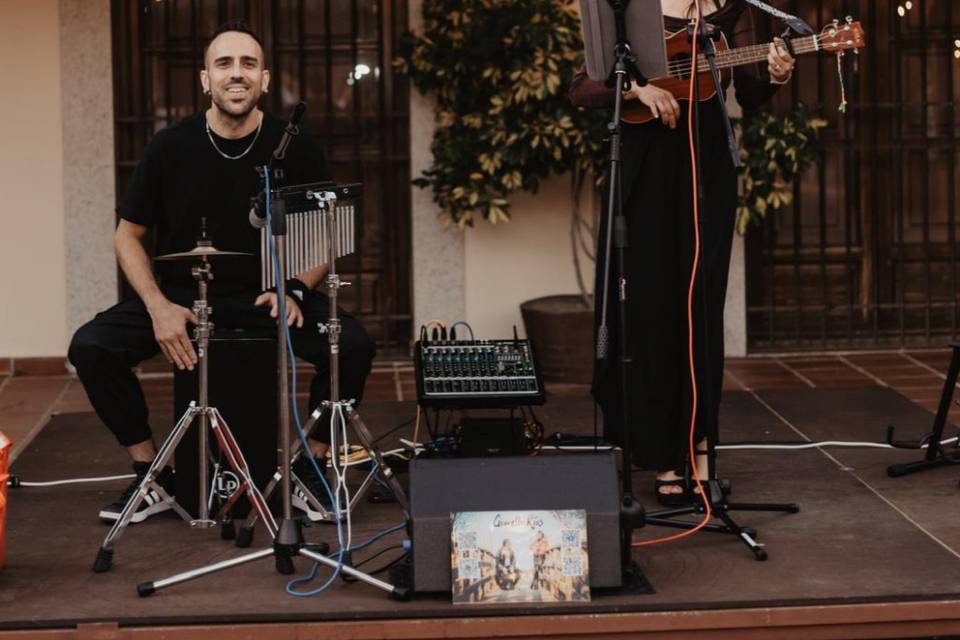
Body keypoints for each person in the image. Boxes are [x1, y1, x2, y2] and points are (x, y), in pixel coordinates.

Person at [68, 21, 376, 524]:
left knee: (355, 346)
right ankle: (151, 474)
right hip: (182, 297)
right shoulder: (170, 147)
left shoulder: (294, 145)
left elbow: (326, 234)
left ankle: (310, 466)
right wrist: (157, 307)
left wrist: (295, 287)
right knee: (92, 347)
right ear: (206, 80)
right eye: (225, 64)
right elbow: (127, 234)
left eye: (249, 64)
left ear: (266, 80)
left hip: (268, 296)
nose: (237, 74)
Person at [570, 0, 795, 506]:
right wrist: (637, 88)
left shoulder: (732, 7)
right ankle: (660, 454)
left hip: (707, 162)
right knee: (651, 306)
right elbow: (582, 86)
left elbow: (753, 90)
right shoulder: (626, 7)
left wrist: (777, 74)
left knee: (700, 304)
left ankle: (699, 448)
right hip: (645, 163)